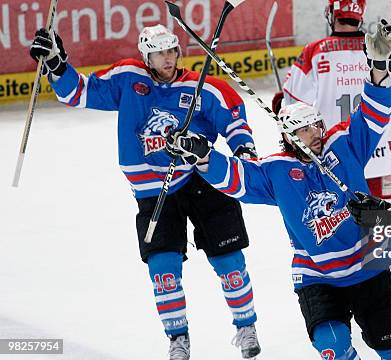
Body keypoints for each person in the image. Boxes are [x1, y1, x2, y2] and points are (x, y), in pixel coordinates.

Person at [166, 21, 391, 360]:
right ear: (288, 138)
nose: (313, 133)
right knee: (333, 345)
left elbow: (374, 111)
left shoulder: (344, 143)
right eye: (303, 131)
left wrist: (379, 68)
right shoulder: (276, 170)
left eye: (315, 126)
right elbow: (236, 179)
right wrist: (205, 155)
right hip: (317, 274)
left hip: (366, 264)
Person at [29, 24, 262, 360]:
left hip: (202, 181)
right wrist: (56, 63)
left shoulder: (202, 87)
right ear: (146, 56)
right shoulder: (129, 79)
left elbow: (236, 123)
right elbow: (77, 92)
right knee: (163, 270)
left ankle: (246, 325)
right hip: (154, 193)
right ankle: (178, 337)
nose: (167, 59)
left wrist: (244, 154)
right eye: (159, 53)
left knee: (229, 261)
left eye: (172, 51)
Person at [276, 0, 391, 306]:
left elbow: (292, 106)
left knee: (344, 217)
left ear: (331, 14)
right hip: (384, 150)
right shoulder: (381, 47)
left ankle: (353, 281)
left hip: (339, 154)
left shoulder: (315, 51)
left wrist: (281, 100)